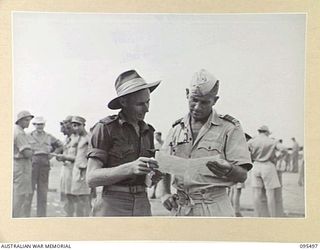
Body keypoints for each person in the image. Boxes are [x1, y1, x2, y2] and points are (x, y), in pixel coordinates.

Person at [159, 69, 252, 217]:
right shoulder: (176, 129)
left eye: (204, 102)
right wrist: (164, 193)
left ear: (215, 100)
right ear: (187, 93)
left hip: (214, 207)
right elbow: (162, 165)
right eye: (194, 100)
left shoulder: (229, 127)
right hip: (181, 208)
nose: (197, 107)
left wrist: (229, 169)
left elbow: (242, 175)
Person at [86, 69, 161, 216]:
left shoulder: (148, 132)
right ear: (123, 102)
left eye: (148, 102)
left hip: (142, 203)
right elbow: (91, 178)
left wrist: (153, 177)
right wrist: (130, 168)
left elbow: (147, 180)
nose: (147, 109)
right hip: (113, 205)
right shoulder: (105, 128)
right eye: (140, 104)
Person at [25, 116, 63, 217]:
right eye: (38, 124)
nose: (39, 126)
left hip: (44, 164)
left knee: (43, 192)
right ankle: (25, 217)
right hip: (32, 164)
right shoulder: (28, 136)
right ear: (34, 125)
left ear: (44, 125)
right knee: (29, 191)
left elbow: (60, 145)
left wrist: (53, 153)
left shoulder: (49, 136)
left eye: (41, 124)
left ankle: (41, 217)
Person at [247, 125, 281, 217]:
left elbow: (244, 150)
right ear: (266, 132)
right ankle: (272, 216)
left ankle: (257, 216)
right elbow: (283, 148)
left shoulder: (252, 141)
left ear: (259, 131)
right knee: (270, 194)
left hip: (256, 165)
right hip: (268, 165)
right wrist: (277, 156)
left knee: (256, 193)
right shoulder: (271, 141)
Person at [13, 110, 34, 217]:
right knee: (19, 195)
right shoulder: (19, 133)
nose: (28, 122)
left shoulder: (16, 131)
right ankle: (15, 217)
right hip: (21, 166)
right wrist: (34, 150)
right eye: (26, 120)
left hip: (18, 165)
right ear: (20, 121)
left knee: (18, 193)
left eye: (29, 120)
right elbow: (27, 153)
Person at [69, 116, 92, 216]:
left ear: (84, 125)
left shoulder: (89, 138)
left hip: (84, 170)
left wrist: (87, 165)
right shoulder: (77, 138)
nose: (76, 128)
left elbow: (93, 154)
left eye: (78, 125)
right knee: (77, 197)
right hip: (76, 170)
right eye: (74, 126)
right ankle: (79, 220)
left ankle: (85, 220)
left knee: (84, 198)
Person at [56, 116, 77, 216]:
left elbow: (81, 158)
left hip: (75, 172)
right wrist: (60, 156)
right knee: (67, 197)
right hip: (66, 171)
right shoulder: (66, 139)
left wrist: (65, 157)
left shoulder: (79, 139)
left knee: (77, 199)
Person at [149, 132, 164, 199]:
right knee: (156, 179)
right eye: (155, 137)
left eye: (157, 136)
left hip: (165, 163)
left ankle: (165, 193)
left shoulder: (164, 144)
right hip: (157, 164)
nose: (156, 138)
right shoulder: (156, 145)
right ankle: (154, 193)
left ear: (160, 136)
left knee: (166, 179)